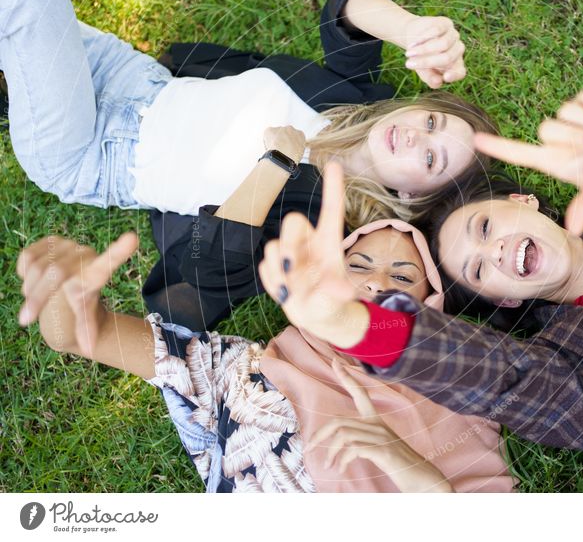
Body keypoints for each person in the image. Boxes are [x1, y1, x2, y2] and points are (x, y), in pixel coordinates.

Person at [257, 103, 583, 492]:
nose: (493, 251)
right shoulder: (573, 367)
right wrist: (352, 323)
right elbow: (498, 380)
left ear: (527, 202)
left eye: (487, 225)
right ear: (506, 301)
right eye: (476, 268)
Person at [3, 0, 496, 329]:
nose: (417, 135)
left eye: (430, 157)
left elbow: (208, 270)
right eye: (432, 120)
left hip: (91, 153)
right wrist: (411, 29)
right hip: (130, 79)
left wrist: (275, 164)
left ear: (410, 196)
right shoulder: (354, 98)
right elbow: (346, 6)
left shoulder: (318, 228)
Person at [16, 169, 514, 493]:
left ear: (430, 309)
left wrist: (395, 456)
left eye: (403, 279)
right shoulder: (240, 368)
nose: (375, 282)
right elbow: (88, 334)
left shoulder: (458, 393)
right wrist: (66, 300)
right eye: (356, 265)